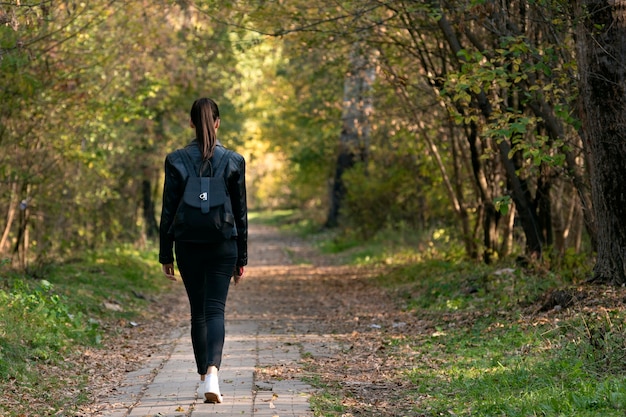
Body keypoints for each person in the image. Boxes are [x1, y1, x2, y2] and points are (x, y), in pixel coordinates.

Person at [158, 97, 248, 404]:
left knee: (198, 312)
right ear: (218, 122)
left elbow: (167, 210)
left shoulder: (176, 159)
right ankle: (212, 372)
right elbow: (241, 213)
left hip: (187, 243)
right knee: (215, 310)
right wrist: (242, 259)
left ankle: (204, 377)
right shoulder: (234, 161)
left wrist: (165, 254)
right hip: (224, 243)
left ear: (192, 123)